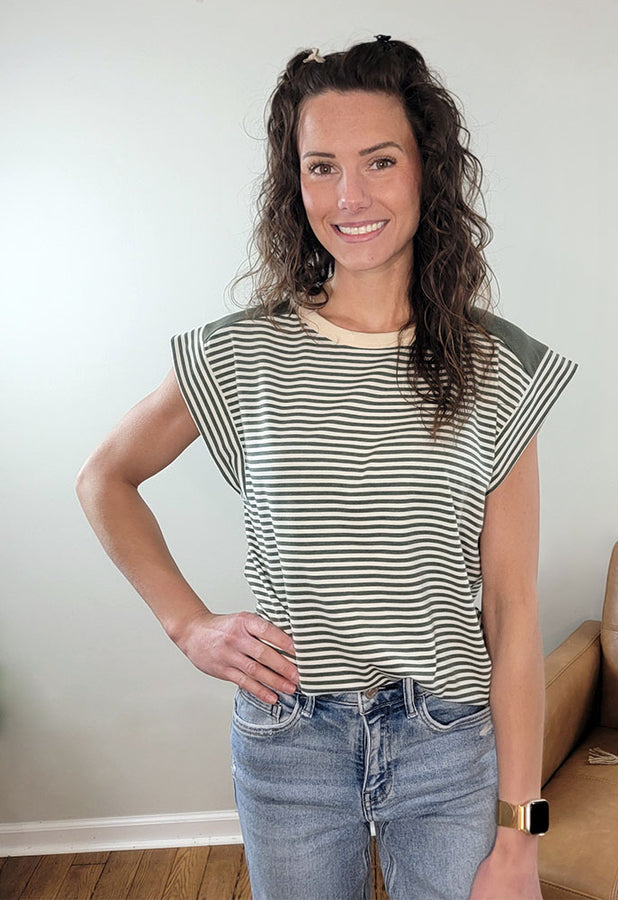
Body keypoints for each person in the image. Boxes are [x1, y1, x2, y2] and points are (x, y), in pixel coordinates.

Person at [77, 35, 577, 900]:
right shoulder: (240, 354)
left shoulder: (502, 369)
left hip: (447, 743)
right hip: (289, 744)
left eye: (380, 161)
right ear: (293, 182)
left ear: (429, 172)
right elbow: (104, 479)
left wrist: (521, 838)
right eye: (321, 167)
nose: (350, 196)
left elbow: (514, 611)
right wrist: (188, 626)